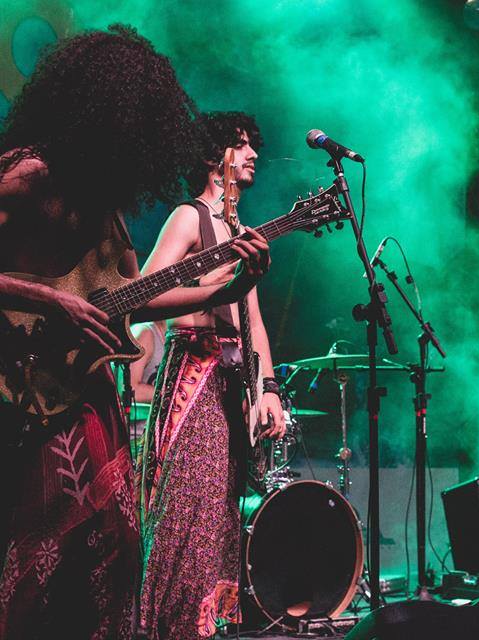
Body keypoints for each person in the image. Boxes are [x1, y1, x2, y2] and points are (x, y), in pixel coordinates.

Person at [0, 26, 268, 640]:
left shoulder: (104, 206)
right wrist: (49, 301)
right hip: (26, 392)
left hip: (89, 394)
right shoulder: (28, 175)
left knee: (116, 555)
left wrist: (226, 290)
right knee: (44, 557)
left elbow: (137, 297)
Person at [137, 111, 285, 639]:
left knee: (220, 520)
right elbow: (144, 295)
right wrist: (213, 289)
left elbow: (254, 323)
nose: (252, 154)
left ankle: (205, 629)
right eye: (239, 145)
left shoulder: (241, 231)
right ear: (210, 156)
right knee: (187, 517)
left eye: (252, 145)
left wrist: (268, 389)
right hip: (194, 374)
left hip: (234, 383)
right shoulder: (188, 216)